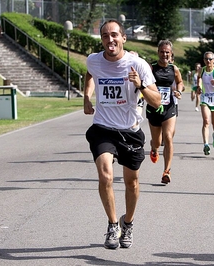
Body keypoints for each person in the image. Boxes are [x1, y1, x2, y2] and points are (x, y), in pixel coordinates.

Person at [84, 19, 160, 249]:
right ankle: (112, 224)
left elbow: (156, 102)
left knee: (132, 183)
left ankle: (128, 223)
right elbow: (89, 74)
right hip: (103, 129)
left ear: (123, 38)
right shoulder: (94, 60)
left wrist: (141, 86)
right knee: (106, 176)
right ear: (102, 40)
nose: (110, 40)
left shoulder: (139, 65)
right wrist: (86, 97)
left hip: (130, 131)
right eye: (105, 36)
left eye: (115, 35)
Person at [146, 40, 184, 184]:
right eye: (162, 51)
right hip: (154, 108)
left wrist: (179, 91)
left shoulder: (174, 69)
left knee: (168, 137)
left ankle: (167, 171)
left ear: (171, 53)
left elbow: (180, 82)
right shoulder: (151, 68)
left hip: (169, 107)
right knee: (157, 141)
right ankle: (154, 148)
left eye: (167, 52)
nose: (164, 54)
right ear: (158, 53)